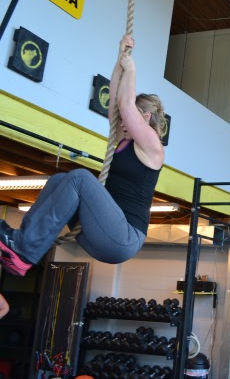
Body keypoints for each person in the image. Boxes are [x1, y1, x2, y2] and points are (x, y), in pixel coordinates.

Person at [0, 35, 165, 277]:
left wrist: (131, 70)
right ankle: (20, 246)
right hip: (100, 231)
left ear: (146, 117)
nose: (123, 120)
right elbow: (115, 104)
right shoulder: (124, 139)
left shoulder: (152, 146)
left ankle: (25, 250)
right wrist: (120, 58)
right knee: (59, 180)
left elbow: (125, 105)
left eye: (130, 116)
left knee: (80, 178)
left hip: (123, 238)